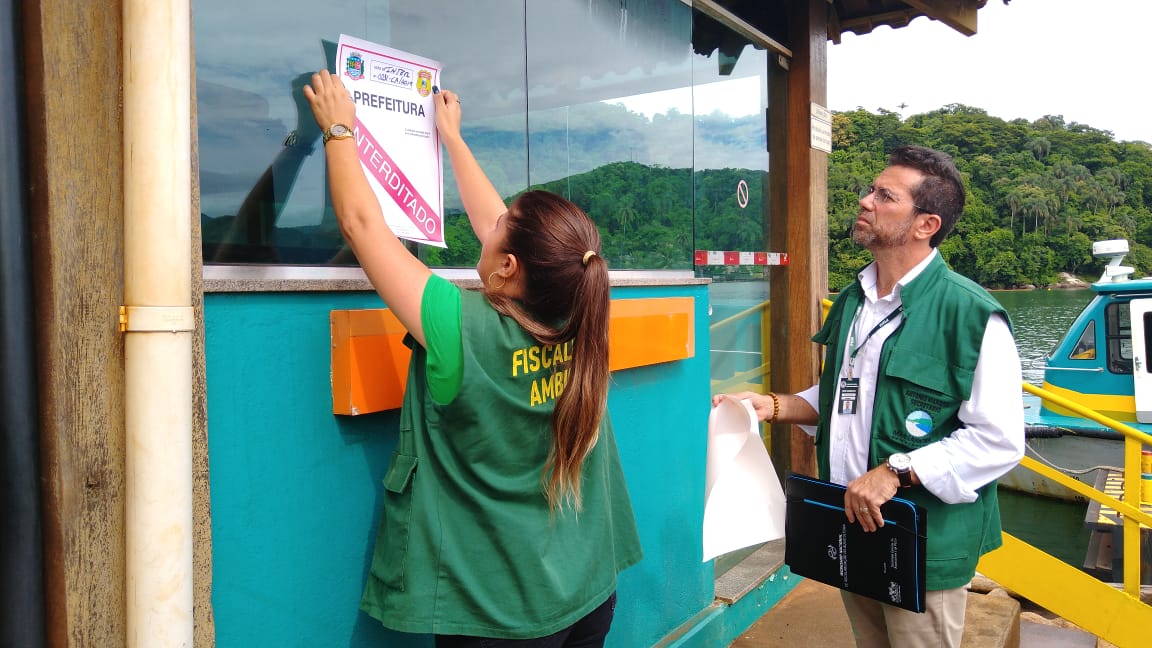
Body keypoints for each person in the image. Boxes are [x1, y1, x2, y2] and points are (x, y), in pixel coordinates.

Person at [303, 70, 642, 646]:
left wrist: (340, 129)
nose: (489, 226)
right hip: (586, 594)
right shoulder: (582, 311)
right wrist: (452, 139)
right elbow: (500, 228)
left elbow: (362, 227)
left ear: (509, 268)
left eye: (502, 231)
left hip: (500, 616)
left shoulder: (457, 322)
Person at [716, 145, 1024, 648]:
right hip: (851, 525)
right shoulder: (856, 300)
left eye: (885, 195)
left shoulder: (971, 316)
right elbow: (846, 396)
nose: (864, 201)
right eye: (870, 190)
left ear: (926, 224)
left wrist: (893, 472)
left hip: (923, 542)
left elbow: (1000, 441)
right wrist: (773, 406)